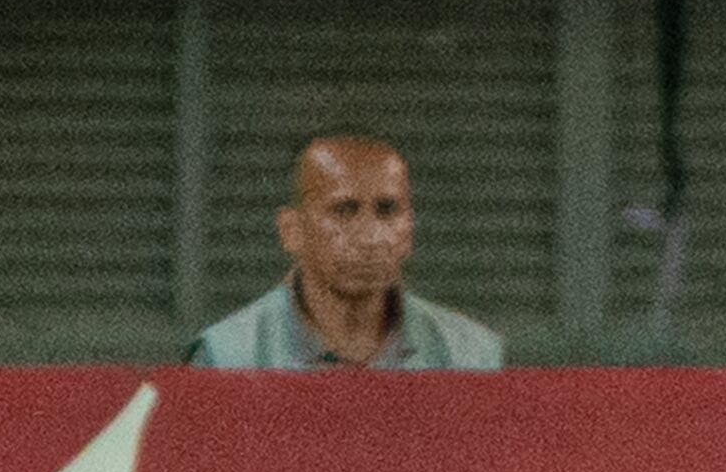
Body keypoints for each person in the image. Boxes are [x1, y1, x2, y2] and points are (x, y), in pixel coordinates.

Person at [190, 134, 508, 372]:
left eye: (387, 210)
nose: (369, 236)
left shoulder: (470, 357)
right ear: (292, 230)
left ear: (408, 229)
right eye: (343, 211)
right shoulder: (227, 358)